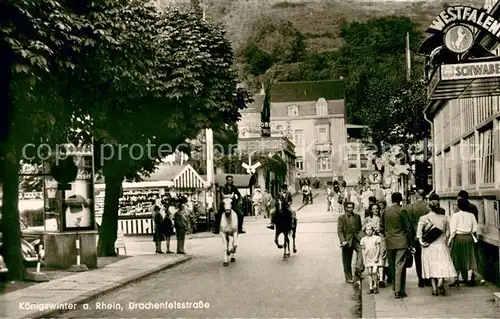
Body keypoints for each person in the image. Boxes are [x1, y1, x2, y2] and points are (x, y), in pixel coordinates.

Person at [417, 194, 456, 296]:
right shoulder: (445, 218)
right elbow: (448, 233)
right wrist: (446, 241)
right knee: (441, 266)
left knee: (431, 267)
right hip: (441, 245)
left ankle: (434, 289)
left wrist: (422, 242)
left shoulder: (423, 218)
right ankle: (440, 283)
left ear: (429, 207)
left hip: (428, 246)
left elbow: (419, 234)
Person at [380, 192, 413, 299]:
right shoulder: (402, 210)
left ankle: (396, 287)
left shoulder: (385, 211)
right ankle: (398, 290)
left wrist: (387, 236)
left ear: (391, 199)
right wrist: (411, 243)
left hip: (389, 241)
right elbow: (408, 228)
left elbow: (381, 227)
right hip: (402, 241)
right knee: (399, 266)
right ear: (400, 200)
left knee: (392, 265)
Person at [449, 198, 478, 287]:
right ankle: (469, 278)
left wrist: (450, 239)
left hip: (458, 237)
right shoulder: (471, 215)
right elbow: (475, 229)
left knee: (457, 257)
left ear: (458, 206)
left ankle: (456, 278)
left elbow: (452, 229)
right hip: (468, 237)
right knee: (469, 256)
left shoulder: (455, 215)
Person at [406, 189, 431, 287]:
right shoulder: (429, 206)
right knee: (427, 259)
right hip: (428, 236)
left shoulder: (411, 207)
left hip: (416, 237)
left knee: (418, 258)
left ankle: (420, 279)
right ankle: (428, 279)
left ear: (417, 195)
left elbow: (409, 224)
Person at [338, 201, 364, 284]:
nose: (350, 209)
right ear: (345, 208)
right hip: (347, 241)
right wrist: (342, 241)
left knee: (362, 252)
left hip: (356, 239)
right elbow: (340, 231)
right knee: (346, 260)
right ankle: (348, 277)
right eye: (348, 207)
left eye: (352, 207)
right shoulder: (341, 218)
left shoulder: (357, 216)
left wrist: (362, 237)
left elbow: (360, 229)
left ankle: (358, 269)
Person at [363, 203, 387, 288]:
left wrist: (380, 229)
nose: (376, 210)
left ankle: (381, 279)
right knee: (373, 257)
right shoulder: (367, 219)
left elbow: (386, 228)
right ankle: (374, 278)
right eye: (373, 209)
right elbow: (363, 229)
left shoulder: (382, 218)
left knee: (381, 256)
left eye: (377, 208)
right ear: (370, 210)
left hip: (381, 239)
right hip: (371, 241)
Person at [361, 225, 381, 294]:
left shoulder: (376, 238)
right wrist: (364, 259)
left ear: (373, 230)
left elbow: (378, 248)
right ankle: (371, 287)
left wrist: (376, 256)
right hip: (368, 257)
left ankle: (375, 285)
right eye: (367, 230)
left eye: (370, 230)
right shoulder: (363, 239)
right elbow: (363, 250)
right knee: (369, 273)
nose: (369, 231)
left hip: (374, 257)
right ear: (365, 231)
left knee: (374, 272)